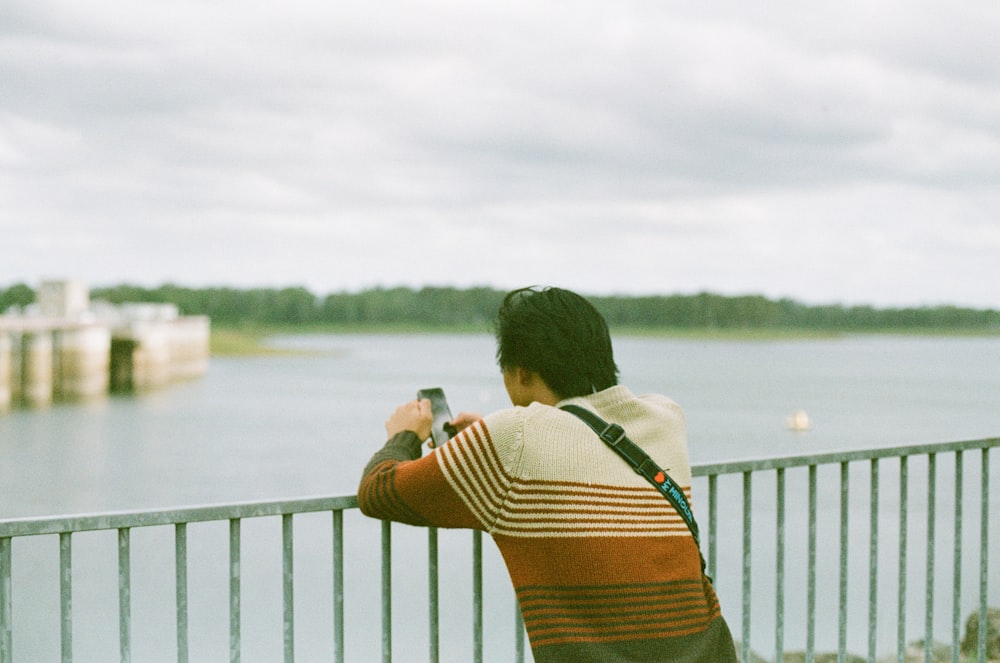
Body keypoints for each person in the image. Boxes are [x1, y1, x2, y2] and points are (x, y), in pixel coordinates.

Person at [358, 286, 737, 663]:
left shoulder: (515, 439)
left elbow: (378, 490)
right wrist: (491, 439)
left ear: (519, 372)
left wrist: (405, 435)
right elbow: (577, 434)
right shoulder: (666, 417)